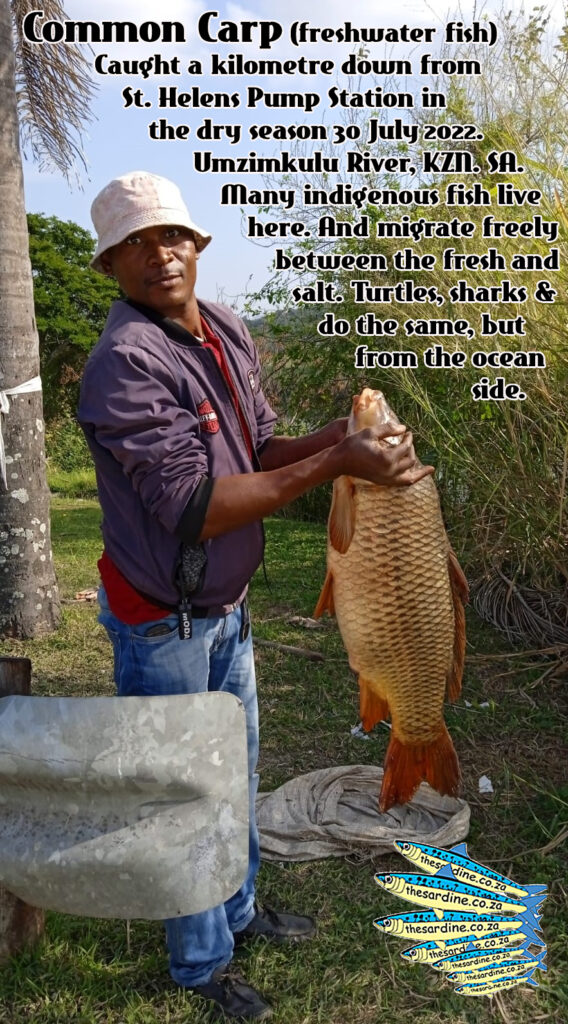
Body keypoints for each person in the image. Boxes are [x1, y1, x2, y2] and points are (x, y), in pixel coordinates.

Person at [78, 171, 432, 1021]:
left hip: (224, 611)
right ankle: (200, 966)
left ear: (197, 247)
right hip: (162, 621)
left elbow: (262, 447)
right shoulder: (124, 363)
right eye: (136, 243)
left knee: (232, 776)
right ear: (112, 266)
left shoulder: (227, 329)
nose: (159, 253)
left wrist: (345, 438)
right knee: (184, 797)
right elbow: (196, 507)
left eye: (172, 237)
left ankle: (238, 912)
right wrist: (340, 465)